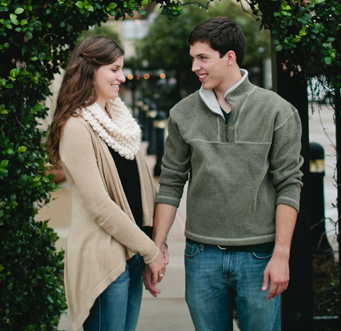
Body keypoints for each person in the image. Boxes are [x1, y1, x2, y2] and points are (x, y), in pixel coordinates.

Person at [144, 17, 303, 331]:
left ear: (229, 57)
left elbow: (289, 184)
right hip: (202, 256)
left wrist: (282, 254)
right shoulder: (182, 114)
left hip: (259, 255)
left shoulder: (277, 110)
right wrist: (156, 249)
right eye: (193, 58)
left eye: (203, 58)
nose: (195, 67)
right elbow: (172, 182)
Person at [48, 36, 167, 331]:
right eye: (114, 69)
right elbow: (101, 206)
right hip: (105, 261)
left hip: (135, 253)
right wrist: (150, 251)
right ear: (91, 70)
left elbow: (142, 190)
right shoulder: (76, 127)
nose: (121, 77)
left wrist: (152, 246)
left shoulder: (119, 121)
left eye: (121, 69)